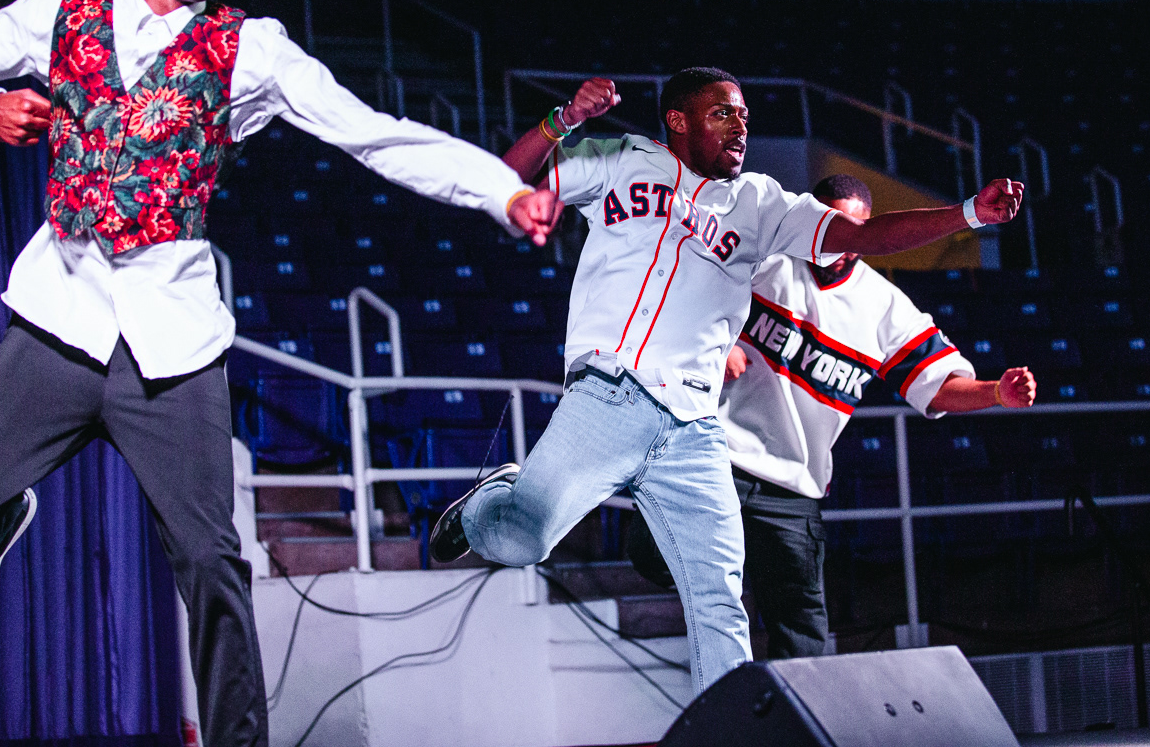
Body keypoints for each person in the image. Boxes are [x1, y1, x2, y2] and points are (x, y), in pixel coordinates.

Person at [0, 0, 559, 747]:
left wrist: (500, 191)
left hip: (172, 348)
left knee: (212, 563)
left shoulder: (250, 49)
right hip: (62, 320)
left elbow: (375, 135)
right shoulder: (58, 16)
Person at [429, 69, 1024, 693]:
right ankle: (488, 507)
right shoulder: (621, 160)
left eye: (744, 115)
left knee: (719, 599)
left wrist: (968, 214)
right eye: (723, 113)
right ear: (679, 119)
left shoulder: (762, 204)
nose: (741, 125)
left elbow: (861, 235)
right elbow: (503, 181)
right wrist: (565, 121)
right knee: (523, 540)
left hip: (694, 427)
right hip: (609, 393)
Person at [626, 172, 1037, 659]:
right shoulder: (764, 257)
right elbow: (674, 286)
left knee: (801, 631)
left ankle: (784, 707)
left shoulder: (884, 307)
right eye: (830, 225)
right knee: (649, 554)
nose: (839, 242)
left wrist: (995, 392)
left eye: (853, 231)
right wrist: (717, 340)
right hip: (716, 454)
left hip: (792, 483)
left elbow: (938, 385)